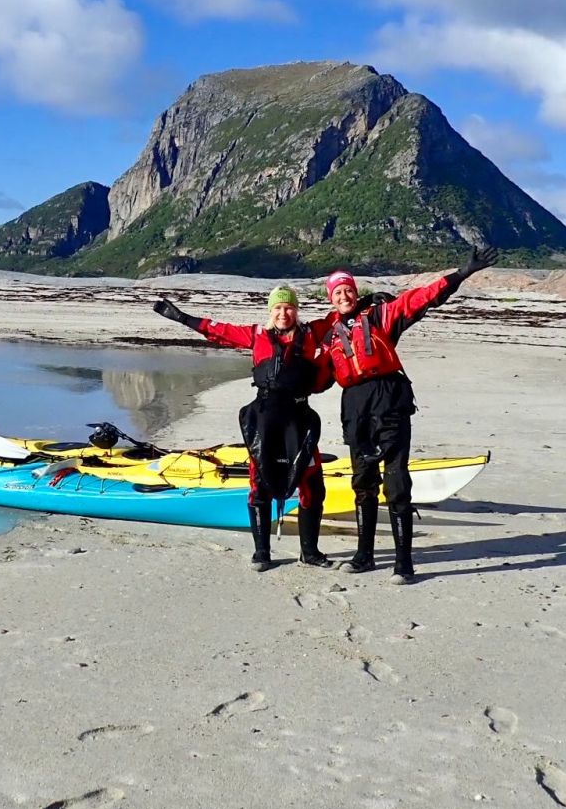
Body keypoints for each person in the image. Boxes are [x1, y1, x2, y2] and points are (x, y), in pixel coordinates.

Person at [320, 246, 499, 582]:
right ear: (331, 299)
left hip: (389, 400)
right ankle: (364, 556)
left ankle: (404, 563)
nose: (344, 296)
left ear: (356, 292)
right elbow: (305, 360)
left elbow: (421, 298)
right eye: (337, 292)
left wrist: (463, 273)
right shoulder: (327, 332)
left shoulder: (381, 315)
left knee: (397, 481)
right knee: (363, 481)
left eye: (348, 290)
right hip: (355, 406)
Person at [153, 285, 334, 572]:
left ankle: (309, 552)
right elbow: (218, 331)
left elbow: (342, 314)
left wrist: (366, 303)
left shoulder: (312, 333)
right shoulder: (256, 335)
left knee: (312, 485)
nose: (283, 313)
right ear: (270, 311)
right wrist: (183, 318)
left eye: (289, 308)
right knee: (259, 485)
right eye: (278, 308)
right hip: (264, 421)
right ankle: (262, 552)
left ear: (296, 310)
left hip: (299, 420)